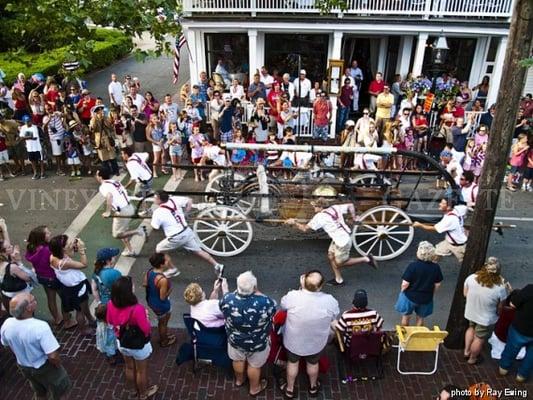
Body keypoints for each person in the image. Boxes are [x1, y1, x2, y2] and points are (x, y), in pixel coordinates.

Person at [285, 198, 377, 286]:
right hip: (339, 238)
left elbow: (304, 228)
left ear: (321, 207)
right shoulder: (335, 207)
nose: (314, 208)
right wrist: (354, 218)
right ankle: (339, 279)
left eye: (315, 206)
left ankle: (366, 259)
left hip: (343, 242)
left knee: (339, 263)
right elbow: (350, 205)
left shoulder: (319, 217)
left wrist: (294, 223)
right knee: (331, 256)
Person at [279, 270, 339, 399]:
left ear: (303, 281)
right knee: (313, 364)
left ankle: (289, 389)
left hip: (293, 342)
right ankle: (313, 387)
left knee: (292, 363)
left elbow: (283, 305)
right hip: (315, 343)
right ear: (321, 286)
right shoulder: (330, 301)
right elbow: (334, 314)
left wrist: (301, 289)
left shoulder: (293, 296)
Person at [0, 293, 71, 400]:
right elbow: (52, 356)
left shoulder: (7, 324)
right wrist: (57, 365)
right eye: (33, 300)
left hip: (24, 366)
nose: (35, 300)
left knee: (39, 392)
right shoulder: (40, 326)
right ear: (28, 308)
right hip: (44, 366)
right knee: (61, 391)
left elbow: (7, 344)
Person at [219, 271, 276, 397]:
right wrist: (258, 292)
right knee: (254, 366)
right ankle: (254, 388)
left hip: (235, 340)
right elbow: (272, 312)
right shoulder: (265, 303)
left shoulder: (227, 300)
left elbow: (224, 306)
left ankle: (239, 380)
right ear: (254, 287)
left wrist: (226, 291)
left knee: (238, 360)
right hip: (258, 342)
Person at [150, 190, 224, 277]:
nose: (153, 199)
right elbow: (189, 200)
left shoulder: (158, 212)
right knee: (199, 251)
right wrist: (186, 212)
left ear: (160, 200)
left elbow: (155, 227)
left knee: (159, 249)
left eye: (155, 198)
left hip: (176, 237)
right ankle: (217, 265)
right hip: (187, 232)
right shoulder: (174, 200)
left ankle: (172, 269)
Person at [107, 277, 158, 400]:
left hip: (122, 341)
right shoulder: (137, 309)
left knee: (129, 367)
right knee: (141, 371)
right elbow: (146, 329)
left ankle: (133, 391)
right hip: (139, 345)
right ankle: (143, 393)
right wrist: (147, 318)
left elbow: (110, 321)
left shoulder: (110, 304)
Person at [464, 257, 510, 365]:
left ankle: (466, 351)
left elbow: (465, 294)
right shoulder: (500, 288)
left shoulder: (471, 278)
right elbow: (501, 306)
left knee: (471, 328)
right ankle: (472, 358)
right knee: (479, 338)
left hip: (471, 311)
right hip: (485, 317)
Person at [49, 235, 95, 336]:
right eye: (69, 244)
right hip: (77, 287)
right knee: (80, 310)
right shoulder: (65, 263)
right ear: (63, 249)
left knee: (77, 307)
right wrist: (82, 250)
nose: (71, 244)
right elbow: (84, 264)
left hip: (67, 287)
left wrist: (72, 247)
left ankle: (89, 319)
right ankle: (83, 329)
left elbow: (69, 254)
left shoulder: (53, 257)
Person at [26, 226, 71, 328]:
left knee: (51, 298)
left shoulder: (32, 248)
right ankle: (67, 319)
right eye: (47, 233)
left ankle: (57, 319)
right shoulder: (47, 250)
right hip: (54, 277)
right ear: (41, 237)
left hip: (42, 276)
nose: (50, 233)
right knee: (64, 297)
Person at [96, 166, 145, 256]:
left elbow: (109, 196)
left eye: (97, 174)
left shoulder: (103, 186)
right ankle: (130, 250)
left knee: (117, 234)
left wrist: (108, 211)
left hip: (122, 211)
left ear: (100, 176)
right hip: (129, 207)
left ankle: (138, 231)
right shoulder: (115, 182)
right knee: (123, 231)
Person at [394, 241, 443, 326]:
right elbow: (437, 284)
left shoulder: (413, 266)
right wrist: (432, 293)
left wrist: (402, 291)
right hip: (426, 298)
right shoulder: (436, 267)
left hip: (409, 297)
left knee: (406, 316)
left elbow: (405, 283)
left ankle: (404, 335)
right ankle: (418, 335)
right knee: (420, 318)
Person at [91, 247, 122, 365]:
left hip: (103, 307)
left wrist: (99, 302)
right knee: (115, 331)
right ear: (108, 260)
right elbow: (123, 288)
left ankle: (110, 354)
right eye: (113, 256)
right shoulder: (115, 273)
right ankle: (116, 353)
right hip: (115, 307)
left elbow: (94, 289)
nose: (115, 257)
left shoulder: (96, 273)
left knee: (106, 331)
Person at [413, 197, 468, 263]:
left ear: (448, 207)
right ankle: (432, 266)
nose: (440, 204)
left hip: (459, 246)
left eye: (442, 203)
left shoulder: (450, 219)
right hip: (448, 242)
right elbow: (465, 208)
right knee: (436, 253)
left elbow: (434, 228)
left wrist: (420, 225)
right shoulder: (457, 209)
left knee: (465, 263)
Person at [499, 284, 533, 382]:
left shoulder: (530, 289)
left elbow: (513, 304)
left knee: (511, 349)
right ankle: (522, 376)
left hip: (521, 327)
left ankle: (504, 368)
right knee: (531, 356)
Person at [143, 252, 177, 347]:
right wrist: (170, 289)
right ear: (161, 264)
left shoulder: (149, 272)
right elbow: (162, 297)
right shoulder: (162, 280)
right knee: (163, 323)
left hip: (151, 301)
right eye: (166, 260)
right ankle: (164, 341)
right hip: (161, 305)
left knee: (162, 322)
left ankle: (164, 334)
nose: (168, 261)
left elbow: (144, 284)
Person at [121, 147, 153, 217]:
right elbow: (147, 155)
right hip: (150, 177)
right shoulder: (135, 155)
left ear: (126, 154)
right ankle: (147, 193)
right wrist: (142, 165)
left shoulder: (130, 164)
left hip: (144, 182)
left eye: (123, 154)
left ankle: (146, 210)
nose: (122, 155)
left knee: (138, 194)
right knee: (143, 193)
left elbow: (133, 179)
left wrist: (125, 187)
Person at [91, 105, 119, 176]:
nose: (102, 112)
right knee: (104, 159)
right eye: (100, 111)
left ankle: (116, 170)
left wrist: (104, 119)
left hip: (108, 139)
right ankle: (107, 172)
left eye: (102, 110)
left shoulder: (106, 118)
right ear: (97, 112)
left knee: (112, 157)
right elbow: (93, 129)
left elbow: (110, 127)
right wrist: (95, 118)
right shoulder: (93, 119)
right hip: (100, 140)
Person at [19, 114, 45, 179]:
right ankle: (35, 173)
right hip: (29, 147)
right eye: (27, 121)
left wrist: (25, 137)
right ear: (24, 122)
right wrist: (28, 137)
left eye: (29, 121)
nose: (28, 122)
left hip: (37, 147)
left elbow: (34, 137)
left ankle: (42, 172)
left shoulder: (34, 127)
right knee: (32, 161)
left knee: (40, 160)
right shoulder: (23, 128)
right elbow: (21, 138)